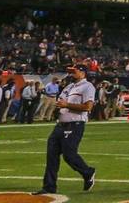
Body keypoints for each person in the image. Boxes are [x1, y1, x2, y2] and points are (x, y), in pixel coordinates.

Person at [34, 65, 97, 197]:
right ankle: (49, 186)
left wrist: (66, 105)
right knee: (51, 156)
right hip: (60, 125)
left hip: (75, 124)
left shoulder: (88, 87)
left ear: (83, 73)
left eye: (74, 72)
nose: (71, 74)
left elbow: (88, 107)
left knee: (69, 155)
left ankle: (87, 172)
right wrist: (59, 107)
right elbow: (61, 102)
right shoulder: (69, 87)